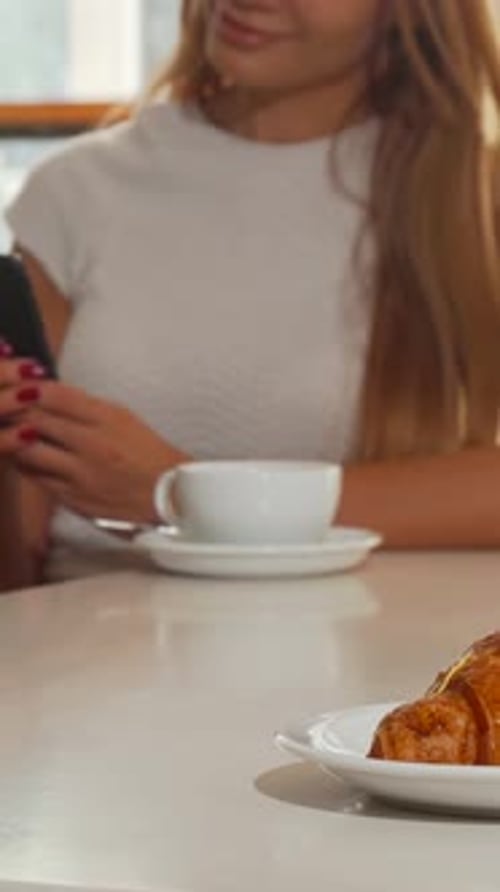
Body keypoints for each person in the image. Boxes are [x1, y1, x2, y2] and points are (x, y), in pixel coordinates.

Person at [0, 0, 500, 589]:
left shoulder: (473, 203)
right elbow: (21, 547)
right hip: (86, 655)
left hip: (376, 664)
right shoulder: (74, 192)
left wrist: (186, 495)